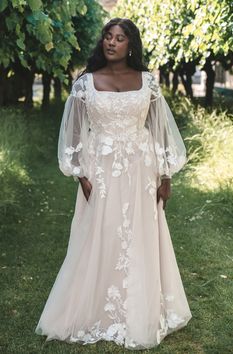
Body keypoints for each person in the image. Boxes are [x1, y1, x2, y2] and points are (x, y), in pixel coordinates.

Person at [35, 17, 192, 350]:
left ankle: (140, 308)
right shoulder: (86, 83)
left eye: (119, 38)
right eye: (107, 36)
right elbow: (74, 131)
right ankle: (95, 309)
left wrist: (166, 175)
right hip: (102, 171)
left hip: (142, 169)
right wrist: (81, 174)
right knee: (101, 235)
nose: (111, 42)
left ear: (130, 44)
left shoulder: (147, 82)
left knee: (140, 235)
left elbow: (160, 128)